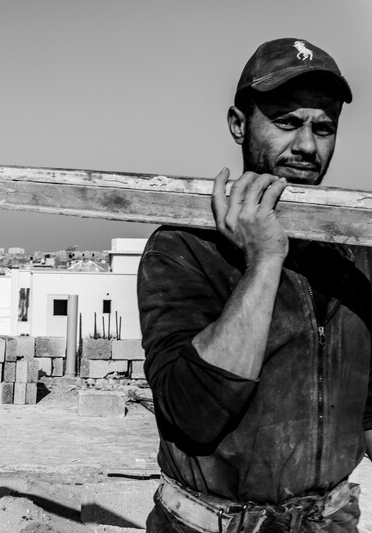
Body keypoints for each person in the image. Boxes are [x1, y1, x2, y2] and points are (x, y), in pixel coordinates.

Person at [138, 38, 372, 532]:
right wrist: (264, 260)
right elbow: (194, 413)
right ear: (239, 125)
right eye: (287, 123)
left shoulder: (355, 253)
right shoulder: (183, 248)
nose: (307, 146)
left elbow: (368, 412)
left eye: (323, 127)